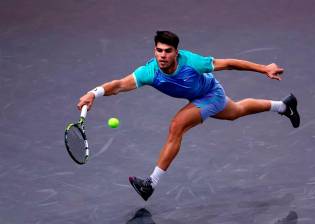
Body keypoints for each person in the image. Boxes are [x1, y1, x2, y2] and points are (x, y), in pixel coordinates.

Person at [77, 31, 300, 201]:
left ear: (176, 52)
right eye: (159, 50)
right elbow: (118, 85)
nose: (162, 56)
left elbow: (230, 64)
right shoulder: (149, 71)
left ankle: (150, 184)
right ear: (154, 51)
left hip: (211, 94)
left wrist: (264, 68)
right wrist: (93, 93)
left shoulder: (193, 62)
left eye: (167, 51)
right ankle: (284, 106)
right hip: (199, 98)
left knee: (177, 125)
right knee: (237, 111)